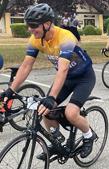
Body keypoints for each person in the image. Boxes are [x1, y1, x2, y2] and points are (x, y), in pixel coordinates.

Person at [0, 3, 96, 159]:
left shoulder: (65, 37)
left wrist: (52, 97)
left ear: (47, 24)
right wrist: (11, 90)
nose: (30, 29)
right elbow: (26, 66)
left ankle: (89, 135)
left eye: (33, 25)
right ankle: (56, 140)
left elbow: (63, 68)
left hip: (83, 77)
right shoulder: (36, 39)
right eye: (28, 25)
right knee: (44, 109)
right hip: (66, 78)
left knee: (71, 113)